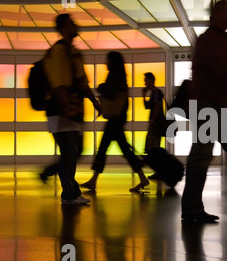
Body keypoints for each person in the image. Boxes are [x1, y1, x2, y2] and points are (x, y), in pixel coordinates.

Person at [181, 0, 227, 222]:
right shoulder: (209, 40)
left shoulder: (218, 39)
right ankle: (191, 208)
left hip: (219, 105)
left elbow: (222, 73)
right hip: (209, 105)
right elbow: (221, 72)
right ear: (218, 14)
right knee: (202, 153)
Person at [44, 13, 102, 205]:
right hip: (62, 110)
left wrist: (94, 102)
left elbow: (82, 81)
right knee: (69, 150)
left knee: (75, 150)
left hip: (72, 109)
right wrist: (66, 110)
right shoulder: (59, 52)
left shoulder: (74, 52)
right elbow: (58, 84)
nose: (75, 25)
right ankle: (69, 193)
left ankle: (69, 190)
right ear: (62, 29)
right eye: (71, 24)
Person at [80, 51, 150, 192]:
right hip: (119, 117)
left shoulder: (114, 76)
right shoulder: (121, 76)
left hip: (115, 118)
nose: (106, 63)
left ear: (113, 62)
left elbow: (110, 92)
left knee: (105, 148)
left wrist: (101, 87)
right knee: (120, 149)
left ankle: (94, 180)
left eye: (108, 60)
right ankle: (142, 178)